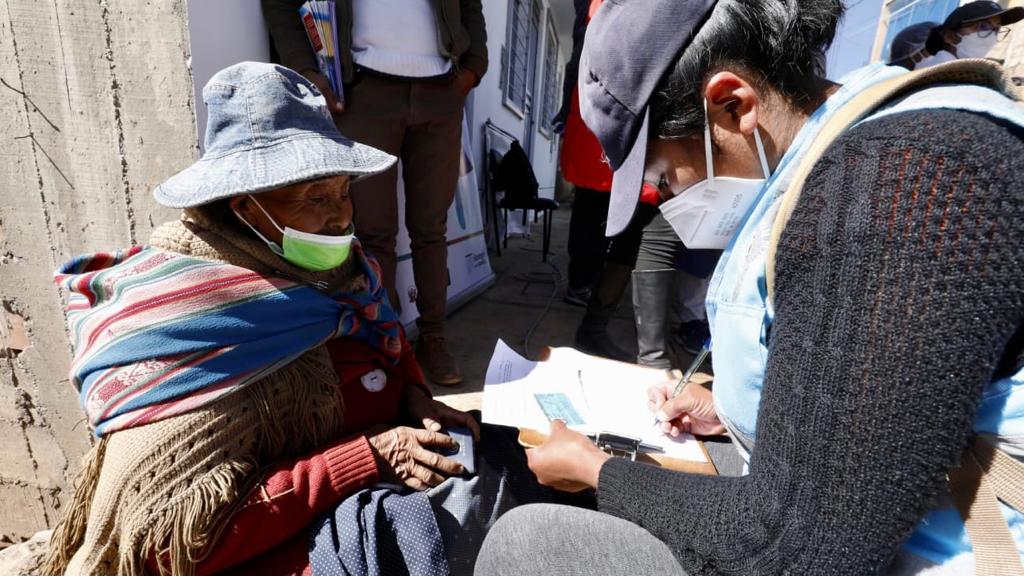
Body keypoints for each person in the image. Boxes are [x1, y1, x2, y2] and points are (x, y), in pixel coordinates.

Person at [474, 0, 1024, 574]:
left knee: (528, 545)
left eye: (663, 176)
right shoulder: (850, 162)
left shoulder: (894, 193)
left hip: (933, 553)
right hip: (848, 519)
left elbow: (802, 549)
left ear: (732, 105)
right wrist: (731, 406)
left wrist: (598, 473)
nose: (665, 199)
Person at [42, 63, 547, 576]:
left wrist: (413, 398)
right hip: (277, 546)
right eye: (316, 198)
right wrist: (362, 458)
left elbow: (388, 344)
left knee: (504, 454)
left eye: (345, 191)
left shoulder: (343, 271)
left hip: (359, 477)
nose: (342, 217)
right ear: (244, 208)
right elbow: (172, 544)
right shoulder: (184, 320)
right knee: (441, 530)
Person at [261, 0, 489, 385]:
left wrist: (473, 69)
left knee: (431, 227)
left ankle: (433, 336)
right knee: (373, 231)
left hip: (442, 91)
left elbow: (470, 6)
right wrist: (306, 70)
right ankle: (389, 340)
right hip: (363, 91)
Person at [918, 0, 1024, 68]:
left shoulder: (970, 72)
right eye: (983, 26)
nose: (992, 36)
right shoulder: (938, 73)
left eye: (996, 29)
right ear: (950, 37)